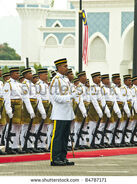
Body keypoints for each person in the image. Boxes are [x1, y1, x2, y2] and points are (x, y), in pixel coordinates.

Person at [50, 58, 76, 166]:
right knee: (58, 136)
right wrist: (69, 97)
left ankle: (63, 157)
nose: (67, 68)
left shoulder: (65, 80)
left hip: (67, 112)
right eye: (65, 66)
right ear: (59, 67)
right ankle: (55, 158)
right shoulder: (56, 80)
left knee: (65, 137)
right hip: (60, 113)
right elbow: (55, 97)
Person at [3, 67, 25, 154]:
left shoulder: (19, 84)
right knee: (10, 127)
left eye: (18, 73)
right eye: (16, 73)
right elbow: (6, 97)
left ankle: (15, 146)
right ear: (11, 74)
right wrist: (8, 110)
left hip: (19, 106)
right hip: (12, 106)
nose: (18, 75)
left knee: (18, 127)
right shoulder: (8, 84)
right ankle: (8, 145)